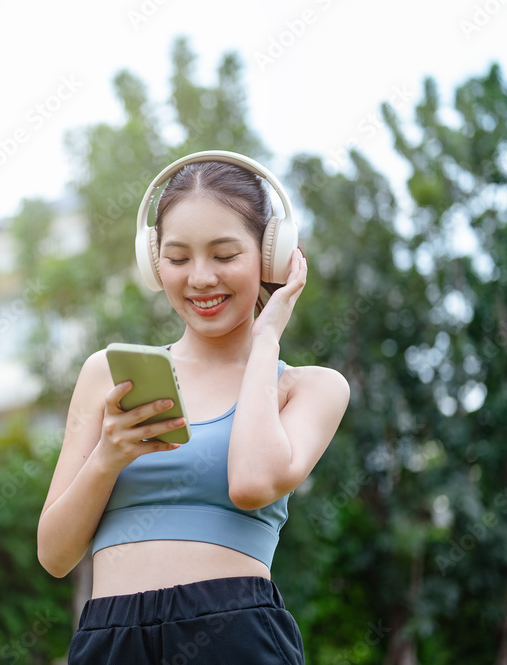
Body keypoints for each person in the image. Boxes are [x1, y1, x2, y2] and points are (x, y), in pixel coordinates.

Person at [37, 151, 350, 664]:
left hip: (234, 632)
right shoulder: (106, 374)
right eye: (178, 259)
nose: (200, 278)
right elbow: (54, 555)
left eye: (225, 256)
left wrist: (266, 335)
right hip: (108, 639)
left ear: (271, 255)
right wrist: (107, 458)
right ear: (154, 262)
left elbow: (251, 483)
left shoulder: (310, 388)